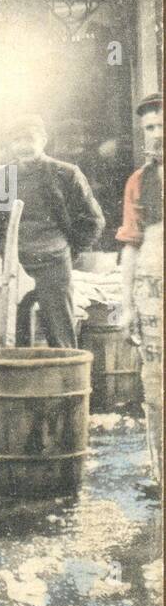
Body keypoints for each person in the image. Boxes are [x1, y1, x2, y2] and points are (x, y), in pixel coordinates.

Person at [0, 114, 104, 348]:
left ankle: (66, 381)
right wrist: (9, 255)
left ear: (44, 140)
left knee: (61, 335)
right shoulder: (1, 178)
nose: (24, 145)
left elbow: (93, 219)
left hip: (54, 264)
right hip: (16, 266)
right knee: (14, 337)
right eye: (16, 140)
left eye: (29, 138)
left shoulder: (66, 173)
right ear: (10, 145)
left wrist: (68, 252)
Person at [117, 91, 163, 486]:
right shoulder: (139, 181)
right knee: (156, 386)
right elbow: (130, 245)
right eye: (150, 127)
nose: (157, 134)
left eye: (163, 124)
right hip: (151, 292)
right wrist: (125, 304)